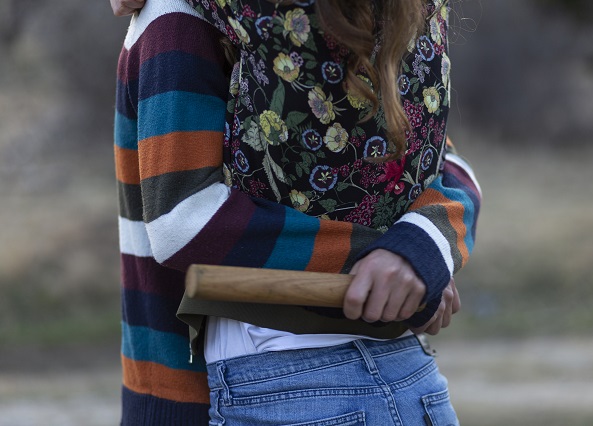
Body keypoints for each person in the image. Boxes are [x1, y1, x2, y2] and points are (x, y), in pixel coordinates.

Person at [112, 0, 481, 424]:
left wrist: (419, 252)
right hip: (378, 372)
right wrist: (405, 261)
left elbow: (432, 159)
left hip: (286, 375)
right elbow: (185, 220)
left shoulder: (373, 14)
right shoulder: (198, 17)